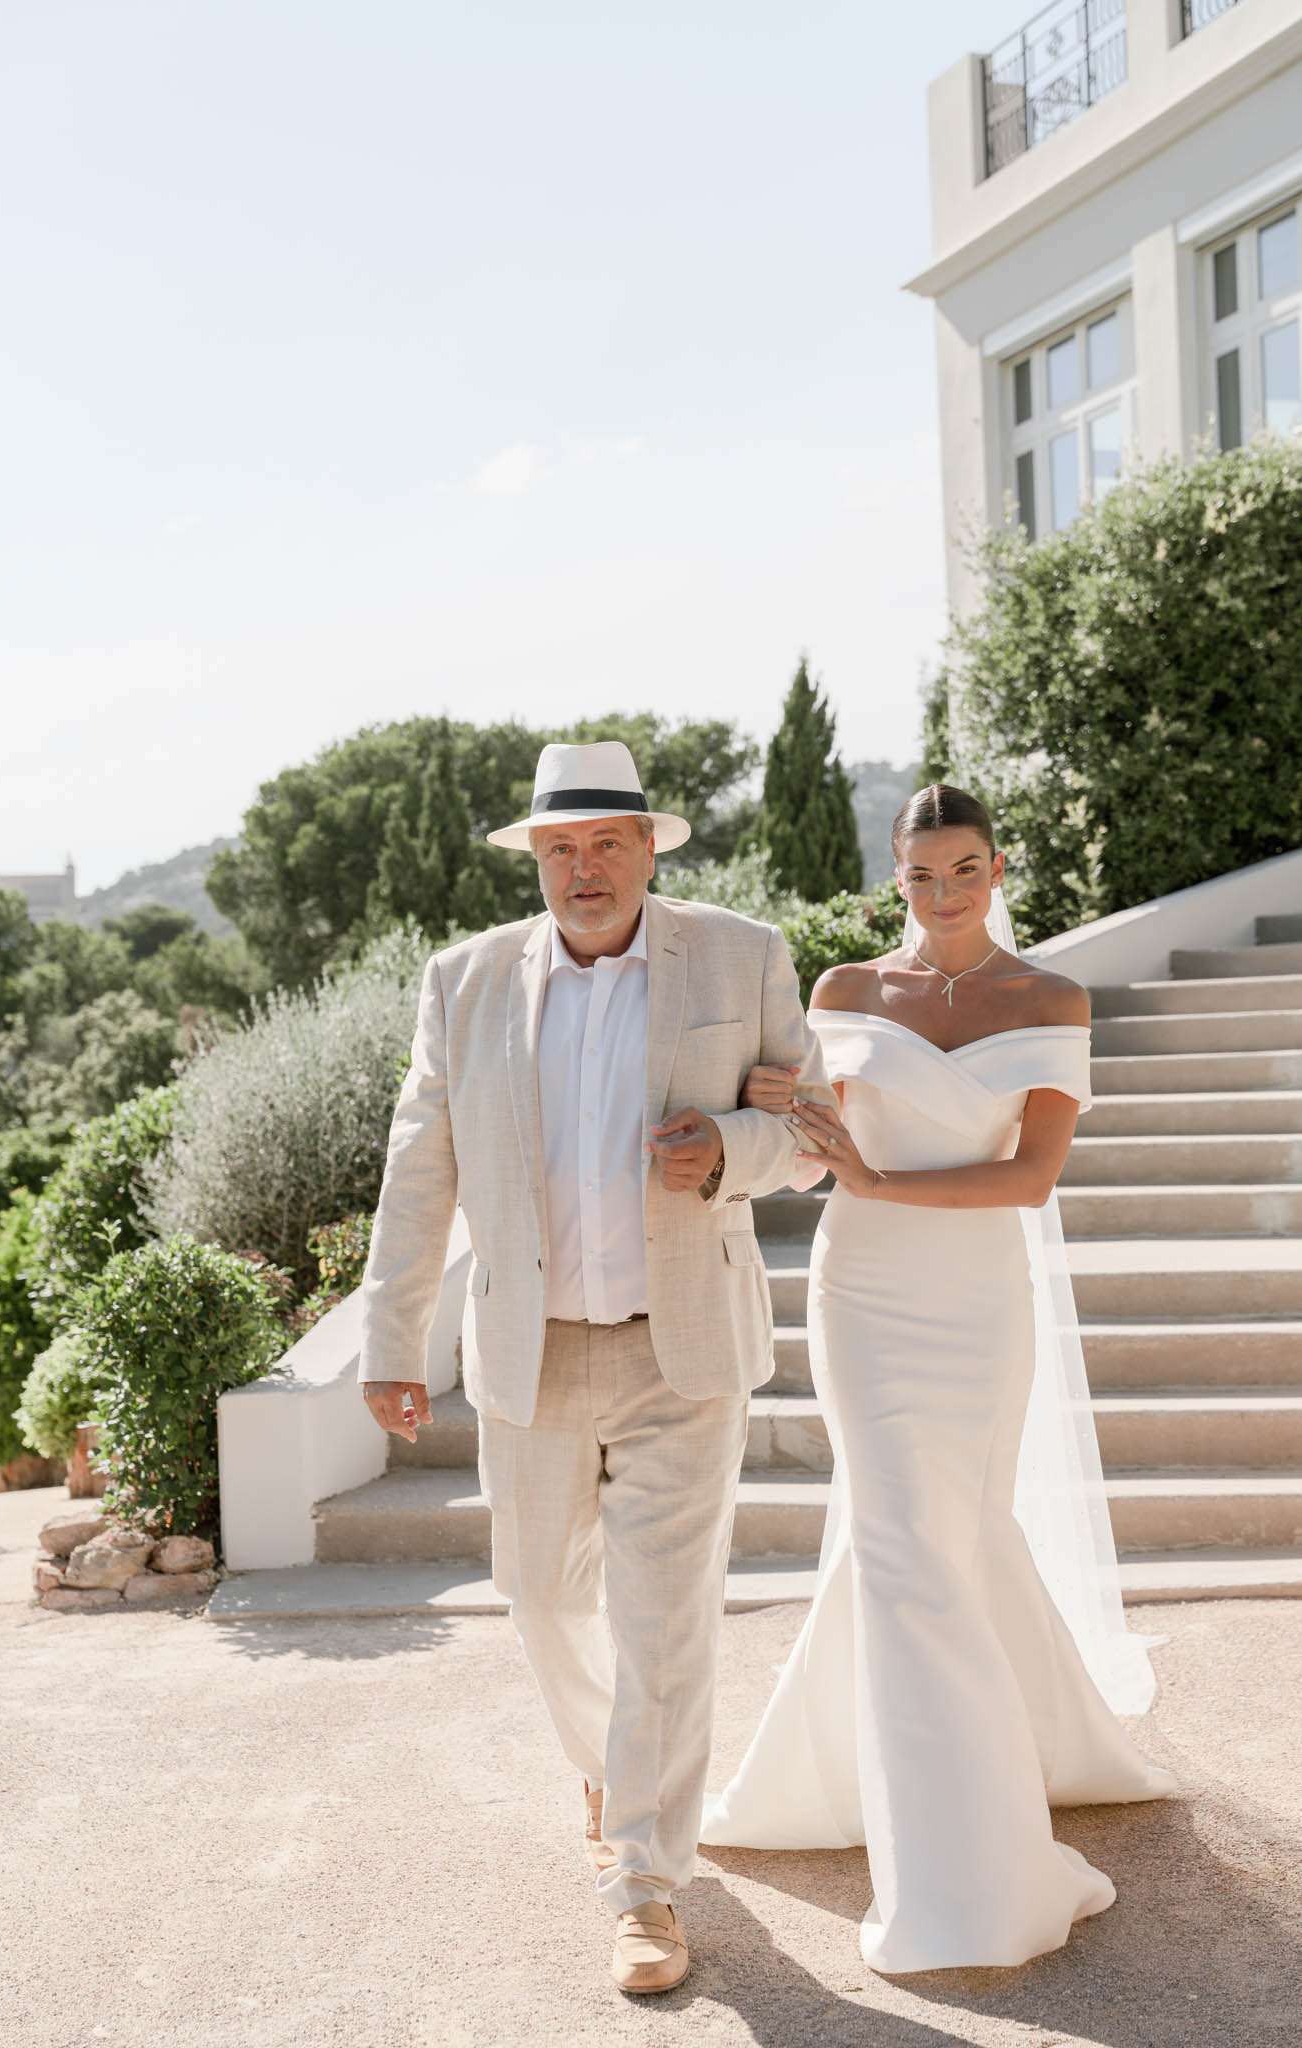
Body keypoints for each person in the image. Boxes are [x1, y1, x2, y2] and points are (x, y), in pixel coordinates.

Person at [357, 739, 832, 1996]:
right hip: (531, 1347)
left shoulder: (742, 954)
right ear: (536, 859)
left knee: (665, 1628)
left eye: (607, 842)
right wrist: (390, 1340)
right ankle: (611, 1770)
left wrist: (731, 1148)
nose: (584, 868)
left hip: (683, 1349)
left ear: (649, 846)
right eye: (561, 848)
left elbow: (814, 1131)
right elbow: (422, 1170)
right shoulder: (461, 982)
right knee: (541, 1593)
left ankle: (647, 1884)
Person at [701, 782, 1176, 1973]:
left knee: (943, 1532)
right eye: (922, 874)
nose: (945, 893)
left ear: (999, 865)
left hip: (974, 1300)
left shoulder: (1050, 997)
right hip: (861, 1294)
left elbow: (1028, 1177)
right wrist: (785, 1118)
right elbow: (822, 1159)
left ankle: (916, 1777)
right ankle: (964, 1869)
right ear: (896, 878)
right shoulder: (847, 992)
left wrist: (877, 1179)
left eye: (966, 868)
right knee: (908, 1540)